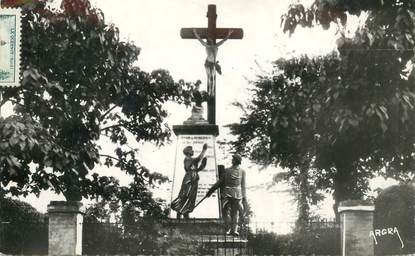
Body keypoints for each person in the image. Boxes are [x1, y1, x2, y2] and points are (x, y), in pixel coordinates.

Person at [206, 154, 246, 236]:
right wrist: (210, 191)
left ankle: (234, 230)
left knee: (235, 212)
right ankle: (228, 228)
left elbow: (243, 185)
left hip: (237, 194)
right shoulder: (227, 170)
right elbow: (220, 182)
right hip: (227, 194)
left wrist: (244, 197)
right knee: (225, 210)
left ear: (237, 161)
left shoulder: (242, 171)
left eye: (234, 159)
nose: (232, 160)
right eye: (233, 159)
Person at [193, 28, 233, 97]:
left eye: (211, 39)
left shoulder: (216, 46)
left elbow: (223, 41)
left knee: (213, 78)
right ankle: (209, 92)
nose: (210, 40)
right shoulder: (207, 46)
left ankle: (212, 92)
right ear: (208, 40)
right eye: (209, 39)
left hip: (213, 64)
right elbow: (200, 40)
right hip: (208, 63)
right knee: (209, 77)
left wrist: (229, 34)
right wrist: (195, 33)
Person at [171, 143, 208, 219]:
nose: (193, 151)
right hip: (189, 180)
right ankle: (179, 211)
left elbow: (196, 166)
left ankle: (186, 212)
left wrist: (202, 165)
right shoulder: (187, 159)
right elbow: (191, 166)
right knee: (185, 195)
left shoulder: (191, 160)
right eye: (191, 150)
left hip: (193, 179)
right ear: (188, 152)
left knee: (191, 196)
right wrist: (203, 150)